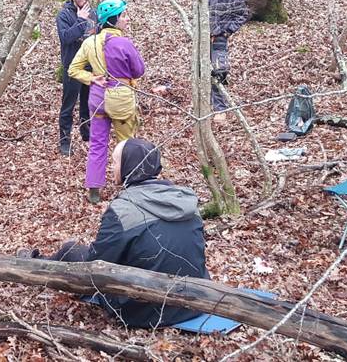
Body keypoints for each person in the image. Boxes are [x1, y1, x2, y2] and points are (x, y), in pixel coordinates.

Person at [16, 138, 209, 328]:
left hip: (143, 310)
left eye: (115, 162)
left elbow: (96, 265)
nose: (111, 168)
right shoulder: (185, 200)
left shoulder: (123, 210)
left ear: (129, 166)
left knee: (71, 250)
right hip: (195, 300)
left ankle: (33, 265)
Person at [68, 0, 145, 203]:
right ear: (114, 20)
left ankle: (94, 188)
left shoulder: (90, 42)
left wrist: (91, 78)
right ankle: (131, 187)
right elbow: (139, 70)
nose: (127, 19)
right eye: (124, 16)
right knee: (127, 143)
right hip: (120, 97)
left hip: (97, 98)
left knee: (97, 143)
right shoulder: (124, 43)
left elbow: (73, 69)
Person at [56, 0, 98, 156]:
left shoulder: (93, 13)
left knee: (87, 103)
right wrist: (80, 20)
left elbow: (97, 34)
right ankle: (64, 141)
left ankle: (86, 133)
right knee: (68, 104)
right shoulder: (64, 15)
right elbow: (65, 38)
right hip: (72, 66)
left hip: (90, 65)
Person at [205, 0, 249, 118]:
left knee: (219, 70)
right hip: (202, 39)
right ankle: (205, 105)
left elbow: (242, 14)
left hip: (219, 38)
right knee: (203, 72)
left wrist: (226, 31)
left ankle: (220, 109)